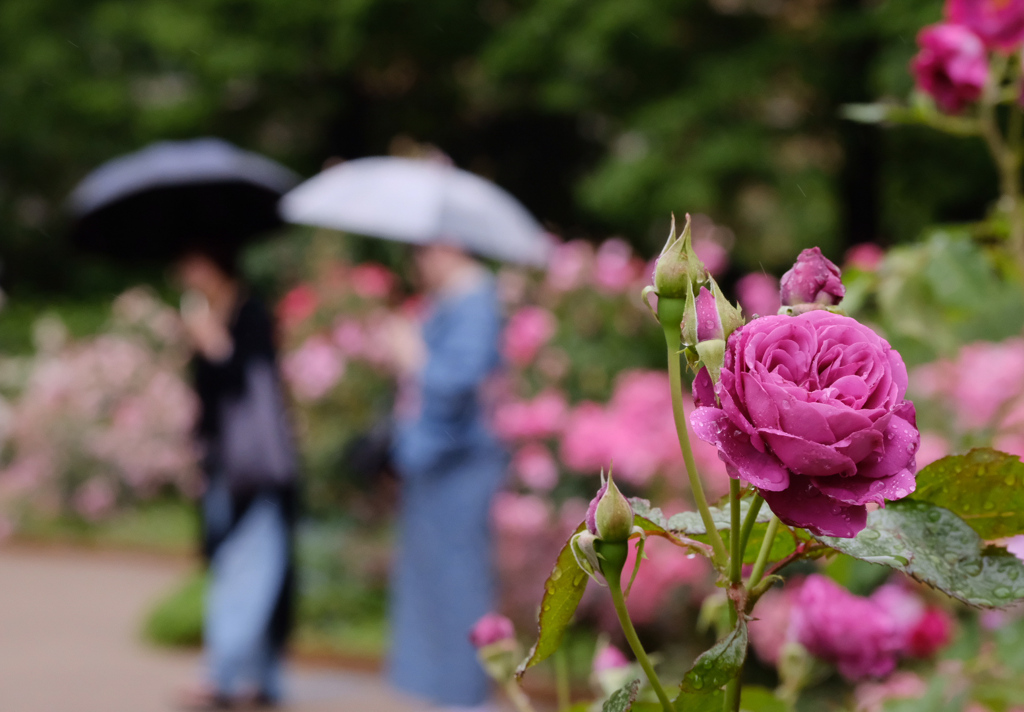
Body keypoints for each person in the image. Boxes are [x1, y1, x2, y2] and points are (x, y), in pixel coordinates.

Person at [386, 242, 509, 711]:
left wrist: (412, 354)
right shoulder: (457, 298)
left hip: (458, 466)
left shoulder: (474, 298)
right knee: (438, 583)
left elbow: (458, 382)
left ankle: (464, 698)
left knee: (458, 583)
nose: (417, 262)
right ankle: (451, 694)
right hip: (439, 465)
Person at [175, 248, 298, 710]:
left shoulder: (251, 314)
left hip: (258, 468)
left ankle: (230, 672)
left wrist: (213, 344)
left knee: (253, 565)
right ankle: (251, 674)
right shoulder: (207, 313)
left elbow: (254, 387)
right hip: (223, 464)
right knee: (235, 562)